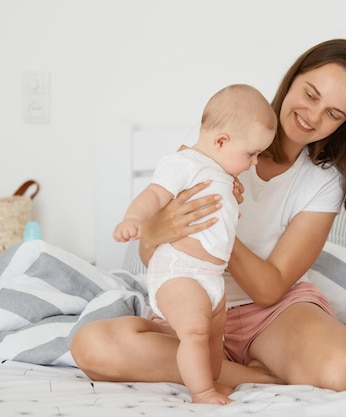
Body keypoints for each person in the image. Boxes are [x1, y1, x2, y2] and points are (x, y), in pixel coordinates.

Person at [71, 38, 346, 394]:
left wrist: (218, 221)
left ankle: (216, 368)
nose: (313, 116)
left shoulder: (323, 182)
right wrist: (159, 227)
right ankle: (253, 376)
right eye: (311, 94)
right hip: (193, 305)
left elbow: (269, 289)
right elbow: (151, 255)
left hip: (272, 315)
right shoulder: (218, 138)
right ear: (293, 78)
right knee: (91, 346)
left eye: (333, 113)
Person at [112, 84, 276, 404]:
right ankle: (201, 392)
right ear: (220, 141)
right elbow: (155, 195)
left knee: (214, 341)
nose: (255, 162)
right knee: (195, 333)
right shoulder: (184, 162)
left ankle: (211, 381)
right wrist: (133, 218)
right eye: (251, 153)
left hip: (211, 277)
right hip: (180, 271)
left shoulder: (222, 175)